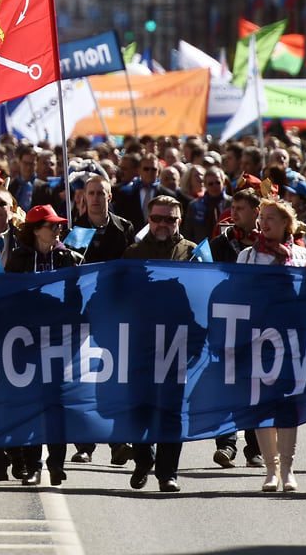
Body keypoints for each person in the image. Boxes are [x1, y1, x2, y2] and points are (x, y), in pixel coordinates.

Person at [237, 199, 306, 493]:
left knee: (288, 406)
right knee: (262, 406)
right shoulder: (247, 256)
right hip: (258, 340)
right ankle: (270, 470)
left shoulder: (302, 255)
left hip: (291, 340)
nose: (265, 222)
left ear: (287, 223)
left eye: (272, 217)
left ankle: (288, 469)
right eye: (262, 217)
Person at [123, 196, 196, 493]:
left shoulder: (192, 253)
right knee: (139, 407)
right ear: (148, 219)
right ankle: (143, 459)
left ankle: (168, 473)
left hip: (177, 342)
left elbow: (204, 297)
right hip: (139, 341)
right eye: (157, 218)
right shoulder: (132, 253)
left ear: (179, 221)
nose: (163, 224)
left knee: (171, 410)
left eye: (170, 219)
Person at [6, 204, 83, 486]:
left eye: (59, 225)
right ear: (36, 230)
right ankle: (32, 465)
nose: (58, 229)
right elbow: (10, 296)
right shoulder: (18, 258)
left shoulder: (67, 258)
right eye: (52, 225)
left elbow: (76, 299)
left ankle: (57, 464)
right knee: (30, 403)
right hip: (26, 341)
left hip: (59, 341)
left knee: (56, 403)